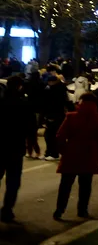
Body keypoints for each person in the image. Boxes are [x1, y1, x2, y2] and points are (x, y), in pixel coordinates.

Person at [53, 92, 98, 220]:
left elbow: (60, 136)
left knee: (65, 185)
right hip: (89, 154)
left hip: (72, 152)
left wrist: (63, 150)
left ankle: (60, 210)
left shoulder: (71, 117)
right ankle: (82, 210)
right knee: (85, 185)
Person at [0, 76, 36, 223]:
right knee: (13, 182)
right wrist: (31, 143)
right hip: (15, 147)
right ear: (20, 87)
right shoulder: (23, 104)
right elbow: (30, 126)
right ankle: (7, 210)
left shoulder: (1, 102)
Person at [43, 74, 71, 161]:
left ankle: (53, 153)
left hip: (54, 115)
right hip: (59, 115)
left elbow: (52, 105)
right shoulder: (61, 89)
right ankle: (52, 152)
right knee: (54, 135)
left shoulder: (54, 91)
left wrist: (49, 116)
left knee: (50, 135)